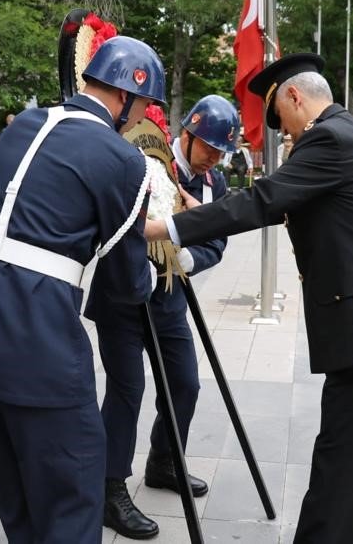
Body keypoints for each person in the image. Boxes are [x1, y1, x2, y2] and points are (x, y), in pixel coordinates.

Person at [144, 53, 353, 542]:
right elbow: (287, 206)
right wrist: (205, 213)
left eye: (282, 120)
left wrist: (165, 227)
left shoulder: (329, 138)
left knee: (341, 460)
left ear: (295, 96)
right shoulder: (349, 132)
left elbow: (264, 199)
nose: (285, 135)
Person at [0, 36, 165, 542]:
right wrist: (153, 273)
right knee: (73, 492)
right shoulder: (122, 159)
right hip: (37, 336)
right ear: (126, 97)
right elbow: (124, 282)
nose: (140, 120)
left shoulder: (25, 124)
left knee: (16, 490)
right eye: (142, 107)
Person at [92, 95, 237, 540]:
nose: (213, 158)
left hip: (170, 294)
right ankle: (108, 488)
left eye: (221, 152)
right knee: (127, 389)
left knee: (185, 383)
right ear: (187, 135)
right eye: (208, 147)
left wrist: (181, 258)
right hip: (122, 295)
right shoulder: (140, 155)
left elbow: (217, 241)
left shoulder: (214, 182)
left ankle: (164, 462)